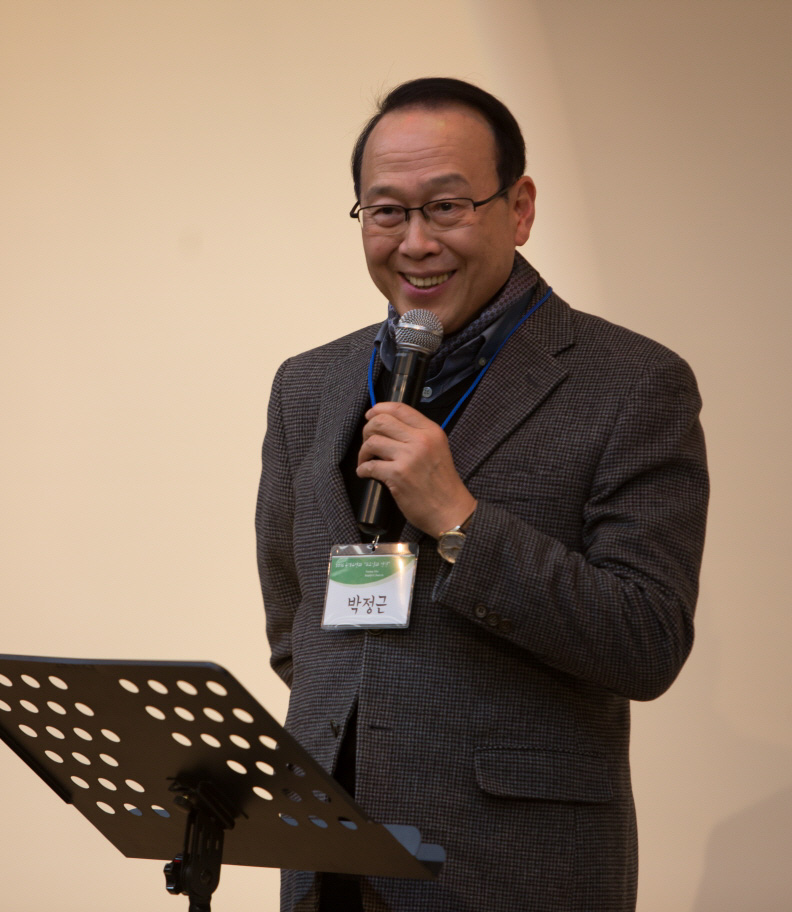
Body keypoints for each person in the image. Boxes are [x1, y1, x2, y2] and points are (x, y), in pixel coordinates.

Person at [256, 77, 709, 911]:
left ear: (520, 208)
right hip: (331, 863)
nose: (416, 242)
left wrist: (459, 521)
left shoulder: (631, 383)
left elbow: (647, 640)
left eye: (447, 207)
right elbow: (297, 626)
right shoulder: (308, 386)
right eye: (387, 212)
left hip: (516, 867)